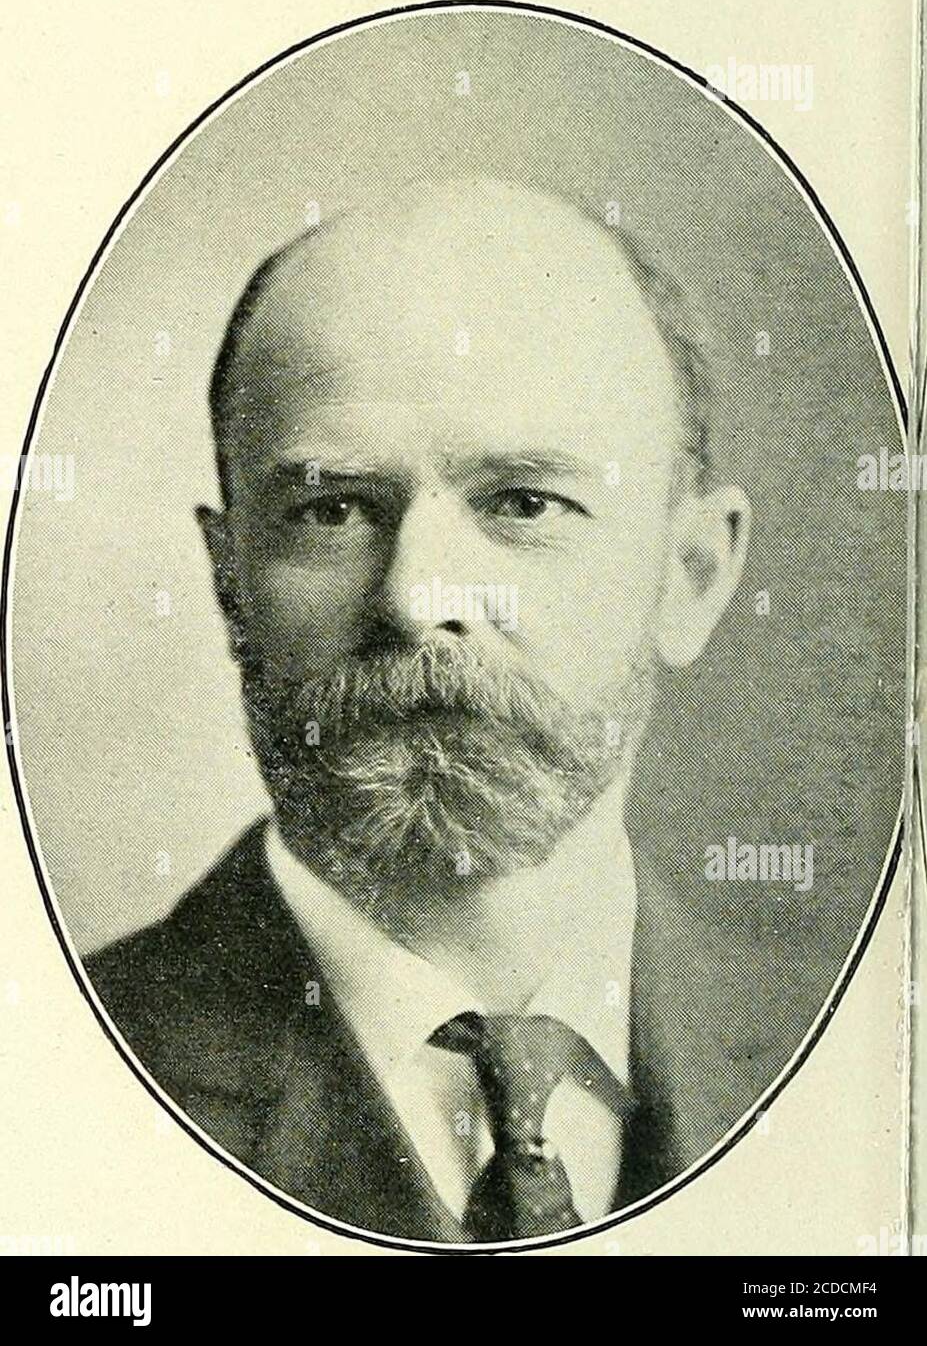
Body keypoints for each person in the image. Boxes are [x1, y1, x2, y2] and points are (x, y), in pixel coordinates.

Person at [86, 176, 756, 1244]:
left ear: (693, 576)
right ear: (229, 581)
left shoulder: (861, 1054)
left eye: (524, 503)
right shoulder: (55, 1073)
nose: (415, 598)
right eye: (333, 509)